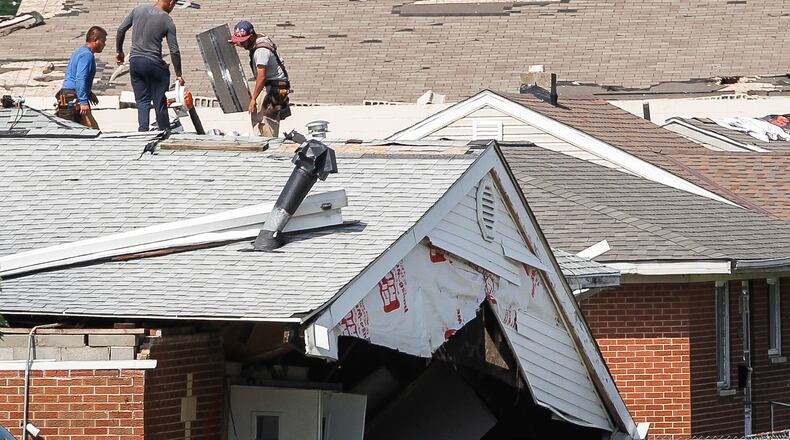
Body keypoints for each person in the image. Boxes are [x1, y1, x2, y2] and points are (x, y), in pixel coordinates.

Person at [116, 0, 184, 132]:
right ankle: (165, 131)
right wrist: (179, 74)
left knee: (142, 101)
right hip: (153, 64)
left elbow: (121, 30)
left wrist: (119, 51)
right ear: (170, 2)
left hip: (135, 62)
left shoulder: (138, 10)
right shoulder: (167, 20)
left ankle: (143, 132)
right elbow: (174, 50)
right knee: (159, 102)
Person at [229, 21, 291, 137]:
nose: (241, 44)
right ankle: (261, 141)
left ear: (251, 37)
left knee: (268, 122)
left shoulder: (261, 52)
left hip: (276, 88)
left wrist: (253, 99)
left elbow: (261, 77)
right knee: (257, 116)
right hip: (271, 85)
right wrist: (239, 41)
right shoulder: (259, 38)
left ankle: (269, 148)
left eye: (243, 41)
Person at [56, 26, 106, 129]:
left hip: (70, 94)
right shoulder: (86, 55)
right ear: (96, 40)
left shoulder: (81, 51)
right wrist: (83, 101)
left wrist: (89, 93)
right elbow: (80, 78)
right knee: (86, 131)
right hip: (72, 96)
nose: (104, 44)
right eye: (103, 41)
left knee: (85, 130)